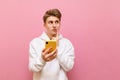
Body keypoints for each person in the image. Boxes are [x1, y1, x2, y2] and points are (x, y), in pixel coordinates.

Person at [29, 9, 75, 80]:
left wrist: (56, 47)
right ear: (44, 24)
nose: (54, 25)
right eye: (50, 22)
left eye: (57, 22)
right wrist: (42, 59)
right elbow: (32, 68)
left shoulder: (67, 43)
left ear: (60, 24)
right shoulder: (35, 43)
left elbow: (69, 67)